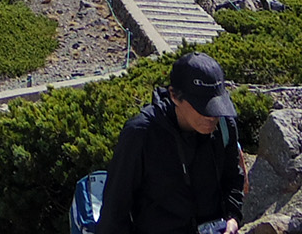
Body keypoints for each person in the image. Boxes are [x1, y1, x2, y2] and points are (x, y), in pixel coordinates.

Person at [97, 52, 246, 234]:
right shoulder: (141, 134)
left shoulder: (225, 125)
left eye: (216, 106)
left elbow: (233, 178)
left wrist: (233, 217)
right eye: (202, 107)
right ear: (174, 96)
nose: (211, 116)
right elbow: (115, 210)